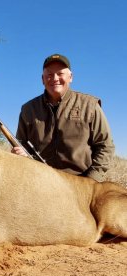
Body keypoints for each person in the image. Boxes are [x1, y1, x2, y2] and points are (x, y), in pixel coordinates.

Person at [12, 53, 115, 182]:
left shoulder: (90, 105)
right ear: (42, 79)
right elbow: (21, 144)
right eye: (49, 74)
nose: (55, 78)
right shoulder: (28, 109)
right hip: (38, 180)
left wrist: (91, 180)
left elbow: (105, 146)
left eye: (60, 73)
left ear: (70, 77)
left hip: (80, 182)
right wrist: (20, 153)